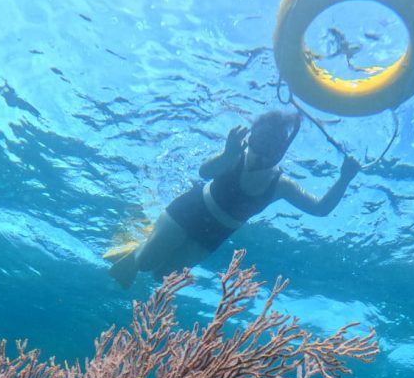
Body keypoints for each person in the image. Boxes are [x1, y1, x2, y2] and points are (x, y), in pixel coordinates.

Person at [108, 110, 361, 288]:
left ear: (281, 150)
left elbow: (320, 209)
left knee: (162, 276)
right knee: (144, 263)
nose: (261, 153)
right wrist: (228, 153)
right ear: (251, 139)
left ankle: (143, 244)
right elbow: (204, 172)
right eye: (259, 142)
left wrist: (344, 179)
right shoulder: (235, 156)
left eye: (271, 147)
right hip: (190, 211)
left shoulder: (281, 185)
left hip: (214, 233)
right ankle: (134, 248)